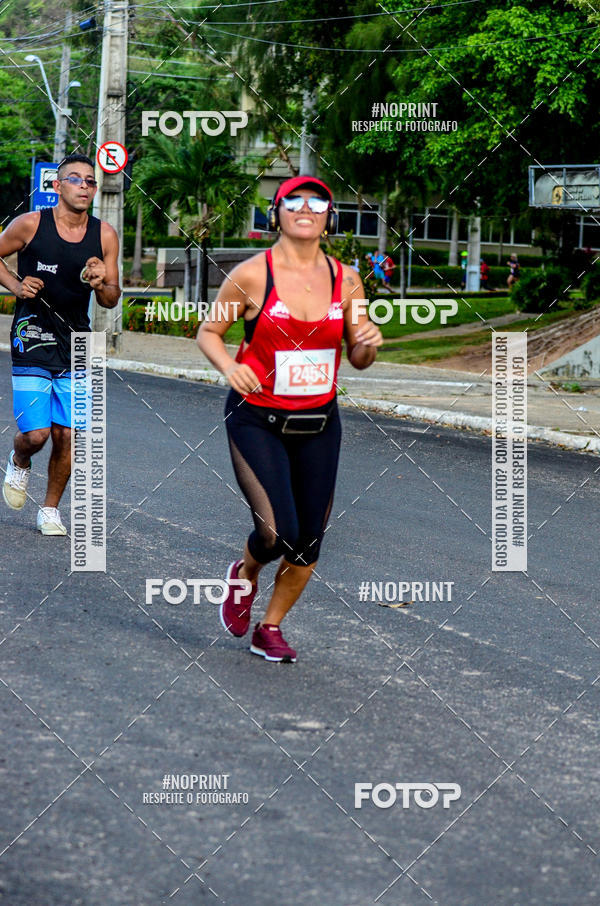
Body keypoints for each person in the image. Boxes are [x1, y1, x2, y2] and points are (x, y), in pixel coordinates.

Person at [197, 175, 383, 663]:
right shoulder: (253, 275)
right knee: (276, 533)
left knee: (308, 542)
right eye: (293, 200)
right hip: (256, 417)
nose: (306, 207)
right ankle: (245, 573)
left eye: (317, 201)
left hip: (319, 422)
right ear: (276, 213)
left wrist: (366, 344)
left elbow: (358, 355)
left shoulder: (348, 279)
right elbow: (210, 332)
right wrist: (230, 366)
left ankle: (270, 627)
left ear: (328, 216)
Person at [1, 153, 120, 534]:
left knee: (69, 434)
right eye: (75, 179)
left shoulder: (104, 235)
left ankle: (50, 509)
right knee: (36, 435)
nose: (84, 186)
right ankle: (20, 460)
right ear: (57, 186)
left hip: (78, 341)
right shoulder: (30, 224)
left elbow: (111, 298)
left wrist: (103, 282)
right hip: (32, 333)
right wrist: (16, 285)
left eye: (90, 181)